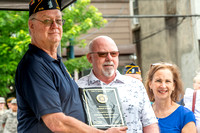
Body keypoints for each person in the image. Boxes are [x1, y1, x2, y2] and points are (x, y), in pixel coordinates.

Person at [15, 0, 127, 133]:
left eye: (59, 20)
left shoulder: (54, 62)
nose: (55, 26)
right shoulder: (34, 65)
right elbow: (56, 122)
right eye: (47, 21)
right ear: (31, 25)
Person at [77, 35, 159, 133]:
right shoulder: (78, 87)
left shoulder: (135, 86)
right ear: (90, 58)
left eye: (114, 54)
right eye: (103, 54)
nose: (109, 58)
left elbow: (149, 124)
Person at [145, 62, 196, 133]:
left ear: (174, 86)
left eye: (167, 81)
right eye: (158, 81)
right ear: (150, 84)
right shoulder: (144, 113)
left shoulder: (185, 115)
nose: (163, 86)